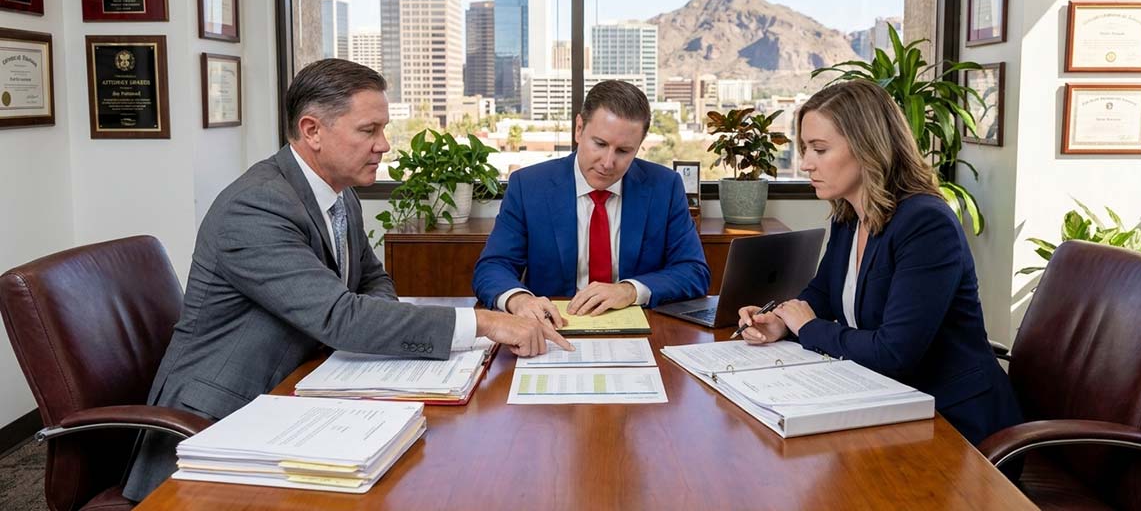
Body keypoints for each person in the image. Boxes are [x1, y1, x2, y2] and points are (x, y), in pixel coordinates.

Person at [124, 59, 572, 500]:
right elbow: (341, 315)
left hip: (297, 396)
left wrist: (362, 322)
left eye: (383, 130)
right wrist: (486, 323)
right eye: (368, 130)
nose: (384, 146)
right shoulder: (256, 207)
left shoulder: (340, 196)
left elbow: (373, 282)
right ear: (312, 130)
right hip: (219, 423)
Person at [736, 79, 1022, 445]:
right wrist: (779, 322)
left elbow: (893, 353)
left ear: (867, 147)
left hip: (956, 425)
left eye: (820, 149)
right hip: (889, 403)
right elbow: (822, 293)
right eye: (805, 148)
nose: (806, 164)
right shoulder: (849, 213)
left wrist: (808, 328)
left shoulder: (925, 223)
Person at [473, 80, 710, 327]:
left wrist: (630, 290)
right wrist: (520, 300)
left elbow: (694, 271)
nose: (608, 162)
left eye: (623, 151)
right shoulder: (529, 186)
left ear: (639, 147)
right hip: (550, 328)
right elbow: (492, 267)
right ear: (578, 129)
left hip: (637, 329)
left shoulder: (665, 187)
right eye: (600, 144)